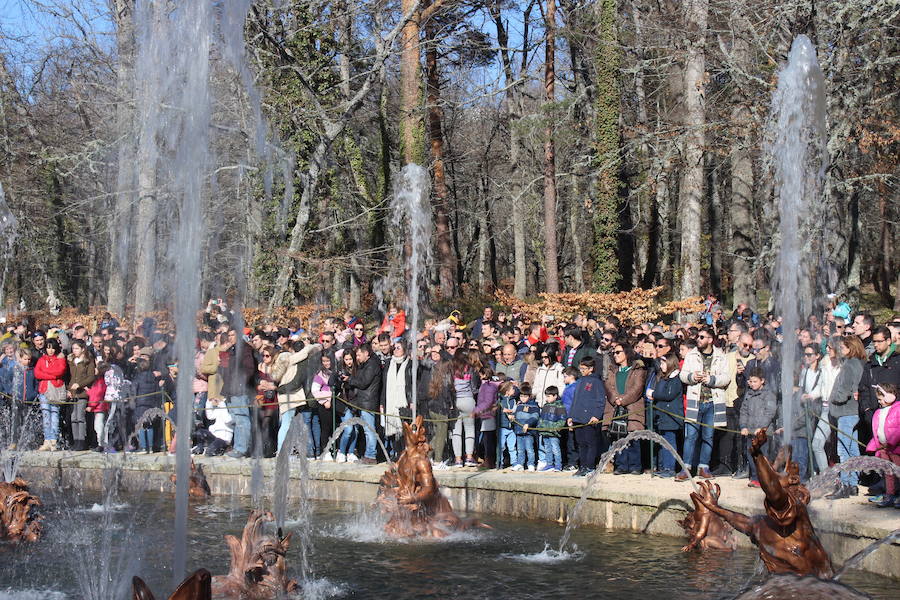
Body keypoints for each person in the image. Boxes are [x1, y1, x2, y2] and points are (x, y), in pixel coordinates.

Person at [678, 327, 729, 481]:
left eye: (702, 337)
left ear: (710, 340)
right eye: (698, 337)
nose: (698, 339)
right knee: (690, 436)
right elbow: (683, 375)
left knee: (708, 436)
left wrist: (711, 380)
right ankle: (686, 467)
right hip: (695, 401)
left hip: (712, 402)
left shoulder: (721, 356)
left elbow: (726, 377)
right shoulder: (692, 355)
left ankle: (703, 467)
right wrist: (692, 376)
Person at [825, 335, 866, 499]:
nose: (840, 350)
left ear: (851, 348)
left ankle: (845, 484)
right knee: (852, 448)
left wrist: (834, 398)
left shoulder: (849, 365)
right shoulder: (858, 363)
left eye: (843, 347)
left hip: (845, 412)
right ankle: (853, 483)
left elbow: (845, 389)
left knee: (843, 450)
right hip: (852, 412)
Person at [603, 342, 647, 475]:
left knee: (633, 437)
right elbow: (609, 387)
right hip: (615, 408)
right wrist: (616, 399)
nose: (615, 355)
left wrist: (623, 400)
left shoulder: (638, 370)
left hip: (632, 407)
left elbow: (637, 388)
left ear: (626, 353)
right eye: (614, 353)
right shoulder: (612, 370)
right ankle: (621, 465)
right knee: (618, 437)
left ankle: (635, 466)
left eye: (618, 352)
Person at [272, 340, 322, 456]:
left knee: (286, 423)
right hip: (290, 395)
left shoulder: (283, 360)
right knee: (287, 424)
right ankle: (282, 451)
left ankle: (283, 450)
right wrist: (312, 346)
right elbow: (296, 381)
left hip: (286, 396)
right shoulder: (292, 359)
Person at [568, 356, 606, 477]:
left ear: (591, 368)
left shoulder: (596, 382)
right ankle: (582, 466)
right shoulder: (579, 381)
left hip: (590, 418)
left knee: (591, 443)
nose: (582, 370)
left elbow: (601, 400)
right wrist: (571, 416)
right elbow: (575, 400)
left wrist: (596, 415)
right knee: (581, 443)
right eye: (581, 368)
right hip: (578, 417)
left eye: (584, 368)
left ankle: (590, 466)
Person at [344, 343, 381, 464]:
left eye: (359, 355)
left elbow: (364, 382)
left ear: (366, 353)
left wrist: (349, 379)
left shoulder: (371, 365)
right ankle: (368, 454)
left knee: (369, 429)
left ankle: (370, 455)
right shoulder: (366, 365)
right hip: (364, 401)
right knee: (367, 429)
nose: (357, 358)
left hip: (368, 402)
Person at [739, 368, 777, 487]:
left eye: (755, 381)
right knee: (751, 455)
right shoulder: (748, 394)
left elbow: (770, 412)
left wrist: (761, 427)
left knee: (762, 456)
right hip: (750, 431)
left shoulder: (769, 395)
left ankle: (764, 478)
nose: (752, 384)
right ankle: (755, 477)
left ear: (762, 381)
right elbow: (743, 411)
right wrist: (743, 426)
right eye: (750, 381)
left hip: (763, 433)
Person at [648, 355, 683, 477]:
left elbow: (668, 395)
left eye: (663, 363)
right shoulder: (663, 378)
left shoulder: (675, 379)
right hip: (661, 416)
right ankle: (664, 467)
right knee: (663, 442)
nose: (661, 366)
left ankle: (670, 468)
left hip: (671, 416)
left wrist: (653, 393)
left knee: (670, 442)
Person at [866, 384, 900, 508]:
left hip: (895, 448)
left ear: (889, 397)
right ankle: (889, 495)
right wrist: (874, 444)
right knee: (888, 472)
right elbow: (877, 431)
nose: (879, 401)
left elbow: (898, 429)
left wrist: (891, 442)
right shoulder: (878, 412)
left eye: (881, 398)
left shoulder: (898, 409)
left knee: (898, 471)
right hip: (883, 448)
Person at [33, 337, 67, 451]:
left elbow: (60, 371)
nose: (50, 350)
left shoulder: (60, 359)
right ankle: (46, 440)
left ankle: (54, 440)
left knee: (54, 414)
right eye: (48, 348)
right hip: (44, 390)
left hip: (55, 390)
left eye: (52, 348)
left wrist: (46, 373)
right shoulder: (42, 359)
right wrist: (52, 376)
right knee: (46, 416)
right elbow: (37, 373)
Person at [381, 339, 412, 460]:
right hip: (390, 401)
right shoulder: (389, 363)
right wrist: (382, 402)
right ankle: (397, 453)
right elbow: (384, 384)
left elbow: (412, 384)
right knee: (393, 426)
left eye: (398, 348)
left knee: (405, 428)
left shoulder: (410, 363)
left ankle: (406, 453)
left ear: (404, 349)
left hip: (404, 401)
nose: (395, 350)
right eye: (395, 348)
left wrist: (412, 401)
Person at [448, 350, 478, 467]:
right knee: (470, 428)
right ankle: (469, 457)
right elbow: (474, 387)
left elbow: (449, 385)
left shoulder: (451, 369)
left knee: (456, 431)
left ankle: (458, 459)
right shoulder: (470, 368)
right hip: (468, 399)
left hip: (455, 400)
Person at [311, 354, 335, 459]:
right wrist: (325, 401)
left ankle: (335, 449)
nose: (326, 363)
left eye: (328, 361)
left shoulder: (336, 371)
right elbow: (315, 390)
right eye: (324, 361)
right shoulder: (320, 375)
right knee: (325, 428)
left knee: (334, 428)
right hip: (325, 405)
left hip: (336, 404)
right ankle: (325, 450)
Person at [474, 367, 499, 468]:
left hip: (487, 414)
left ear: (484, 374)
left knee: (488, 439)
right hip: (486, 414)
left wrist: (477, 410)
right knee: (487, 438)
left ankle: (489, 460)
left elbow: (487, 401)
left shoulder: (487, 385)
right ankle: (488, 459)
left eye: (481, 375)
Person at [538, 385, 567, 471]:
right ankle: (549, 464)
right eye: (546, 396)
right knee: (547, 449)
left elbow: (562, 420)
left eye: (549, 396)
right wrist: (540, 426)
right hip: (545, 432)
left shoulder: (560, 406)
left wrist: (554, 428)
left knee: (556, 449)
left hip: (554, 433)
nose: (547, 398)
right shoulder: (546, 406)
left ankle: (558, 465)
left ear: (555, 396)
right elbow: (541, 418)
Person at [512, 382, 539, 471]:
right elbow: (516, 416)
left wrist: (528, 423)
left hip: (528, 432)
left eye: (525, 396)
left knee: (529, 449)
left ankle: (531, 464)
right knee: (520, 449)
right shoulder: (519, 405)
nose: (523, 398)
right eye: (521, 396)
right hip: (519, 431)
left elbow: (535, 416)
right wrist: (512, 418)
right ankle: (520, 463)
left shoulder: (534, 406)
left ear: (529, 396)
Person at [497, 380, 519, 468]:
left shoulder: (513, 401)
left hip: (511, 428)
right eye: (512, 389)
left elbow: (515, 409)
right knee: (501, 446)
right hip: (502, 427)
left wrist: (511, 413)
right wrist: (503, 411)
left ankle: (514, 462)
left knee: (512, 447)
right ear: (507, 391)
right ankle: (500, 462)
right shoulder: (500, 401)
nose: (514, 391)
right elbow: (497, 410)